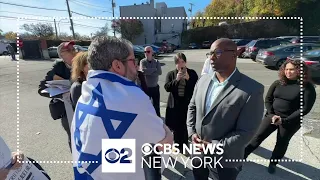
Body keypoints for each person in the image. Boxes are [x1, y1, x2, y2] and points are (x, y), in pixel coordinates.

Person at [71, 36, 173, 180]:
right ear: (117, 65)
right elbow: (160, 144)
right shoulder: (133, 97)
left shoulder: (85, 95)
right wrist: (169, 134)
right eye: (132, 61)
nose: (136, 66)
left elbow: (104, 154)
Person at [186, 38, 264, 180]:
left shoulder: (252, 89)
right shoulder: (202, 80)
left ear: (234, 55)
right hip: (197, 152)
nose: (211, 58)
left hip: (225, 159)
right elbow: (192, 107)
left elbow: (246, 132)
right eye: (210, 53)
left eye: (218, 52)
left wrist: (213, 146)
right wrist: (192, 133)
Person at [244, 59, 316, 174]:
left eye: (292, 69)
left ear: (299, 70)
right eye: (286, 69)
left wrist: (284, 120)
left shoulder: (307, 87)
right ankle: (243, 155)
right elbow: (268, 99)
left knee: (281, 143)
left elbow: (304, 109)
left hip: (290, 121)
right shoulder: (278, 83)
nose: (288, 72)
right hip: (272, 117)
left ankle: (273, 163)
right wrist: (272, 115)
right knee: (258, 136)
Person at [38, 41, 77, 152]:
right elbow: (41, 88)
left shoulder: (83, 64)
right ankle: (77, 163)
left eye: (73, 49)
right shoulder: (58, 68)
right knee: (73, 138)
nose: (73, 51)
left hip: (83, 108)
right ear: (61, 55)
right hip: (67, 111)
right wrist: (61, 94)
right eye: (68, 50)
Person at [164, 53, 198, 153]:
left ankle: (185, 144)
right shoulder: (171, 74)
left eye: (182, 61)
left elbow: (196, 87)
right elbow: (167, 87)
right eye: (178, 62)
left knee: (185, 125)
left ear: (185, 62)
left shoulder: (192, 73)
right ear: (175, 64)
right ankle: (178, 144)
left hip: (187, 104)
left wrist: (188, 79)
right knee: (176, 126)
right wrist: (176, 80)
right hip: (175, 104)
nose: (181, 64)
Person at [139, 46, 162, 117]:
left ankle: (158, 119)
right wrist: (154, 69)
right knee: (146, 106)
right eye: (145, 52)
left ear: (152, 52)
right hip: (146, 88)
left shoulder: (156, 61)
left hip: (155, 87)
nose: (146, 53)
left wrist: (149, 71)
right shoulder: (142, 61)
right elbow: (143, 71)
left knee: (156, 106)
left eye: (148, 51)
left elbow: (159, 72)